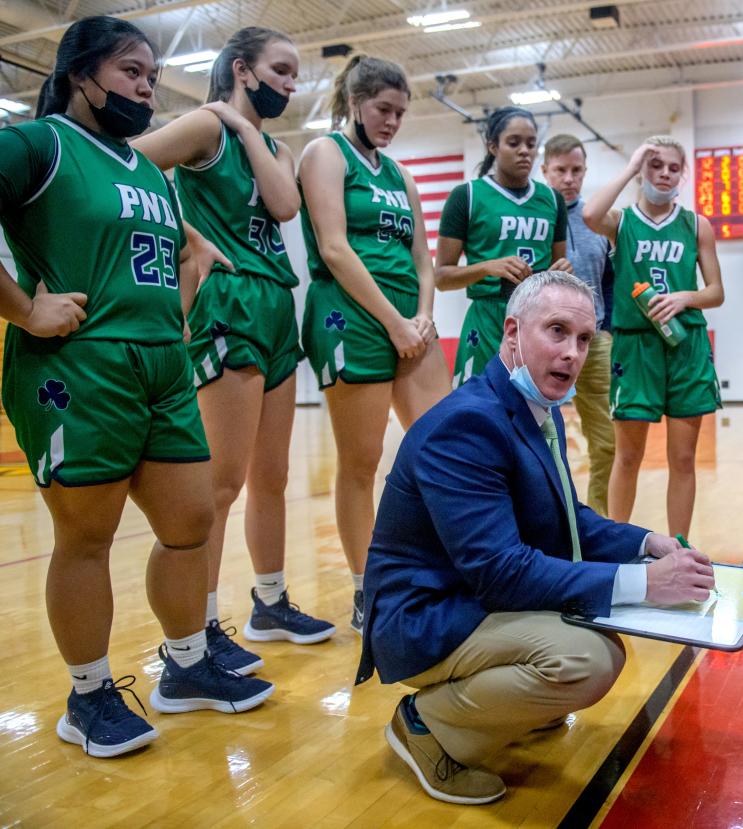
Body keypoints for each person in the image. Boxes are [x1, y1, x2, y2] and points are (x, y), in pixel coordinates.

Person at [0, 16, 272, 759]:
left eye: (152, 75)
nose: (147, 87)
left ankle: (185, 666)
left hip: (162, 364)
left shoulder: (147, 169)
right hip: (77, 366)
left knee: (190, 520)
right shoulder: (39, 145)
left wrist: (176, 305)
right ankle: (86, 696)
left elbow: (178, 254)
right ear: (81, 75)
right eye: (130, 71)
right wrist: (25, 309)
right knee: (85, 536)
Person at [355, 271, 715, 804]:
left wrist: (645, 544)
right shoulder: (467, 424)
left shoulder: (531, 407)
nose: (572, 353)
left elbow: (571, 519)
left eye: (584, 339)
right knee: (587, 660)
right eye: (556, 331)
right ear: (511, 332)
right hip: (423, 615)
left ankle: (500, 706)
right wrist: (643, 583)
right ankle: (425, 725)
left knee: (593, 642)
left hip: (470, 595)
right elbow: (500, 571)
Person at [134, 27, 335, 670]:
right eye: (280, 70)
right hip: (230, 302)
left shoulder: (264, 139)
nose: (290, 83)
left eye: (294, 73)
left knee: (271, 476)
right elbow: (124, 164)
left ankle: (269, 602)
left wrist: (246, 129)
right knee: (220, 484)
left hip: (276, 301)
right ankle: (200, 625)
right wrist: (189, 234)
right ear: (243, 69)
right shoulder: (200, 128)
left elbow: (283, 207)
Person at [297, 55, 450, 633]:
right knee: (360, 463)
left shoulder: (401, 175)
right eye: (383, 109)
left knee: (443, 447)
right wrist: (393, 321)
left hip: (410, 320)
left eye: (401, 113)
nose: (392, 121)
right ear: (354, 103)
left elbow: (423, 261)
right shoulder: (323, 155)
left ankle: (437, 567)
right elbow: (335, 248)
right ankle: (367, 588)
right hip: (351, 318)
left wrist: (424, 315)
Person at [582, 136, 724, 537]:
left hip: (686, 345)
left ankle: (679, 546)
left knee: (682, 458)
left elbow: (716, 292)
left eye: (673, 167)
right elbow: (591, 213)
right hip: (635, 345)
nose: (664, 173)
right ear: (642, 171)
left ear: (683, 173)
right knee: (627, 457)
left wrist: (684, 297)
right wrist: (629, 167)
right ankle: (615, 545)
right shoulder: (621, 221)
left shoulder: (696, 224)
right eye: (655, 165)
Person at [435, 107, 572, 387]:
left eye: (531, 144)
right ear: (493, 146)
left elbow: (561, 269)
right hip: (487, 318)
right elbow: (441, 277)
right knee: (477, 414)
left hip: (540, 318)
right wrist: (487, 267)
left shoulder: (552, 200)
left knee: (537, 416)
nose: (525, 151)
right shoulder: (466, 196)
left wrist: (564, 272)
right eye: (514, 143)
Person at [541, 133, 616, 514]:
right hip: (543, 346)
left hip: (595, 342)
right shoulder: (535, 217)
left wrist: (607, 327)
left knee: (606, 442)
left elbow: (611, 279)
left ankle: (598, 520)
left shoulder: (598, 221)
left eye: (576, 170)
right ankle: (550, 520)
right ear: (545, 171)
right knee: (542, 441)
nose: (569, 178)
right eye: (560, 170)